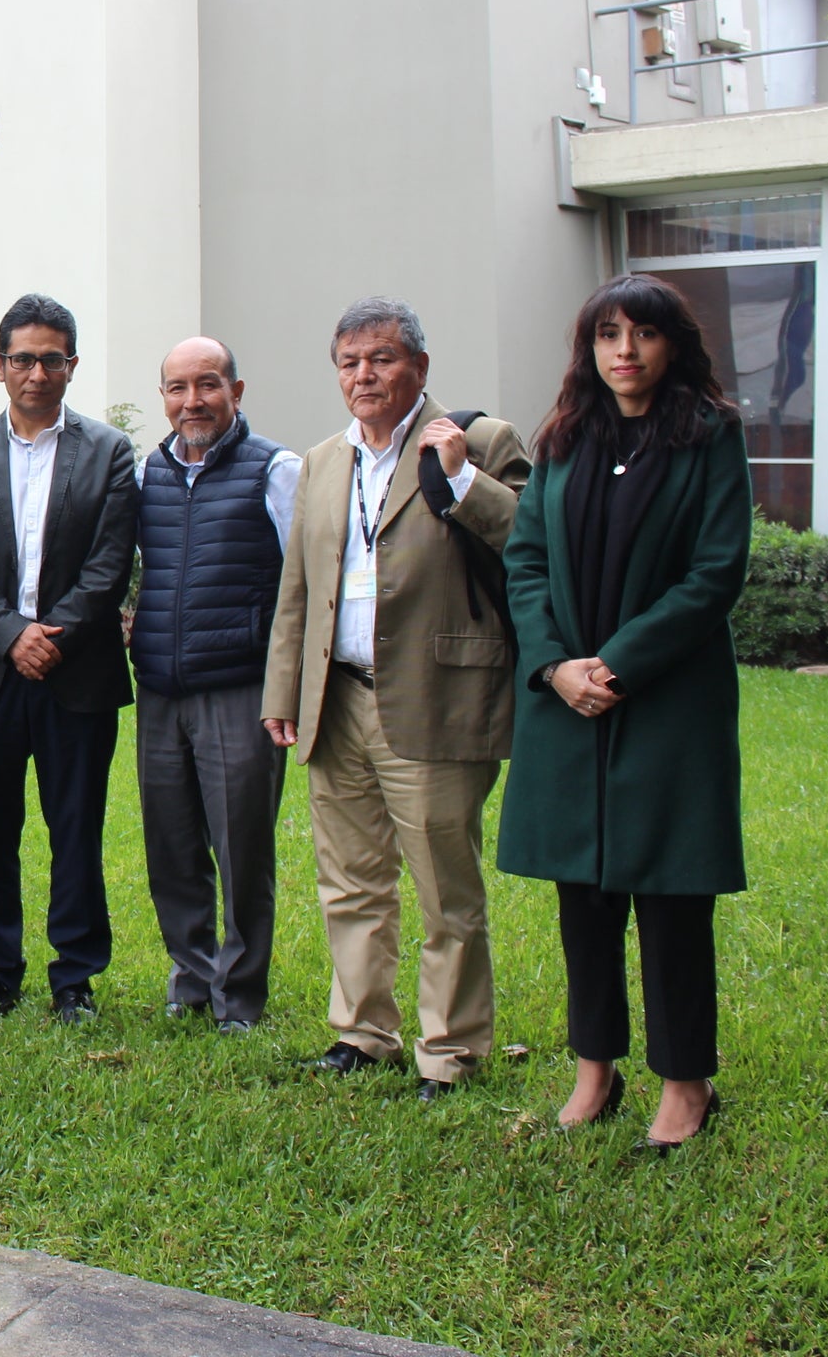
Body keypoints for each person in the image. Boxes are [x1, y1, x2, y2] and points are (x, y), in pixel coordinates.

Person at [498, 274, 751, 1152]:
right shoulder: (565, 438)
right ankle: (594, 1069)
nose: (625, 352)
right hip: (568, 704)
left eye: (643, 334)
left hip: (667, 702)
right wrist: (556, 667)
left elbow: (716, 572)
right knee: (586, 897)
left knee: (673, 898)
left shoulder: (711, 436)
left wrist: (621, 662)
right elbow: (524, 564)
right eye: (608, 334)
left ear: (673, 344)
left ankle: (686, 1084)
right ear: (589, 347)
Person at [262, 298, 529, 1098]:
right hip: (335, 700)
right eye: (348, 362)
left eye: (380, 359)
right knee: (349, 880)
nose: (363, 376)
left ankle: (450, 1050)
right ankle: (363, 1032)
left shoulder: (480, 441)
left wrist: (461, 479)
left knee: (445, 886)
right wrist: (286, 689)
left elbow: (530, 542)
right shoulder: (322, 462)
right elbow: (299, 588)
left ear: (418, 365)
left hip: (436, 696)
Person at [0, 295, 136, 1024]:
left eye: (52, 358)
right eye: (22, 358)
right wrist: (8, 634)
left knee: (75, 826)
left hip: (75, 674)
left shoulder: (110, 452)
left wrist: (50, 635)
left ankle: (75, 977)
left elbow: (112, 561)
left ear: (71, 365)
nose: (37, 372)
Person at [129, 336, 302, 1032]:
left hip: (240, 688)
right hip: (162, 689)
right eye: (176, 387)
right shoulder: (152, 471)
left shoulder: (275, 469)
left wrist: (286, 686)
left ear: (237, 390)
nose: (191, 401)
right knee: (170, 846)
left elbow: (302, 582)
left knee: (241, 848)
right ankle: (191, 979)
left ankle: (241, 996)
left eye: (207, 385)